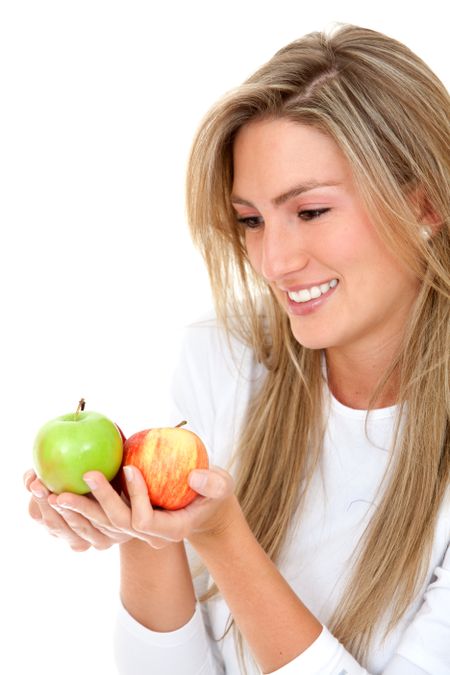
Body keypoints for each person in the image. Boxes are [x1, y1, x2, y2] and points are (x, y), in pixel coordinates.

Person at [24, 23, 449, 674]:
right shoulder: (225, 359)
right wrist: (148, 527)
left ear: (422, 203)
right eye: (251, 219)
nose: (274, 260)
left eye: (310, 212)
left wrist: (221, 535)